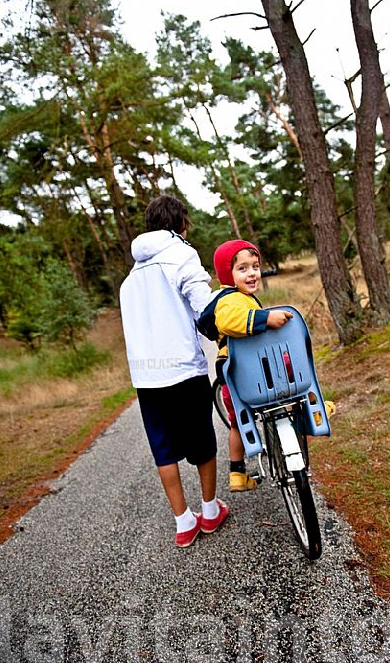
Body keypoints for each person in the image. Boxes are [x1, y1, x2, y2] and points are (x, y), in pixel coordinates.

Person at [120, 196, 229, 548]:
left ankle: (184, 522)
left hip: (146, 378)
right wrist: (226, 327)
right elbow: (204, 308)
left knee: (163, 448)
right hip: (183, 369)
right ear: (182, 225)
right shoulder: (181, 255)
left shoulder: (131, 277)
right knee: (201, 440)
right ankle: (210, 512)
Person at [200, 239, 293, 492]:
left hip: (249, 372)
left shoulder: (244, 297)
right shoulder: (229, 299)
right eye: (242, 268)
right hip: (241, 374)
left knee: (239, 423)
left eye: (255, 266)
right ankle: (305, 416)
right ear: (226, 276)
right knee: (243, 418)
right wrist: (265, 317)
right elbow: (231, 321)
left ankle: (237, 473)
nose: (252, 273)